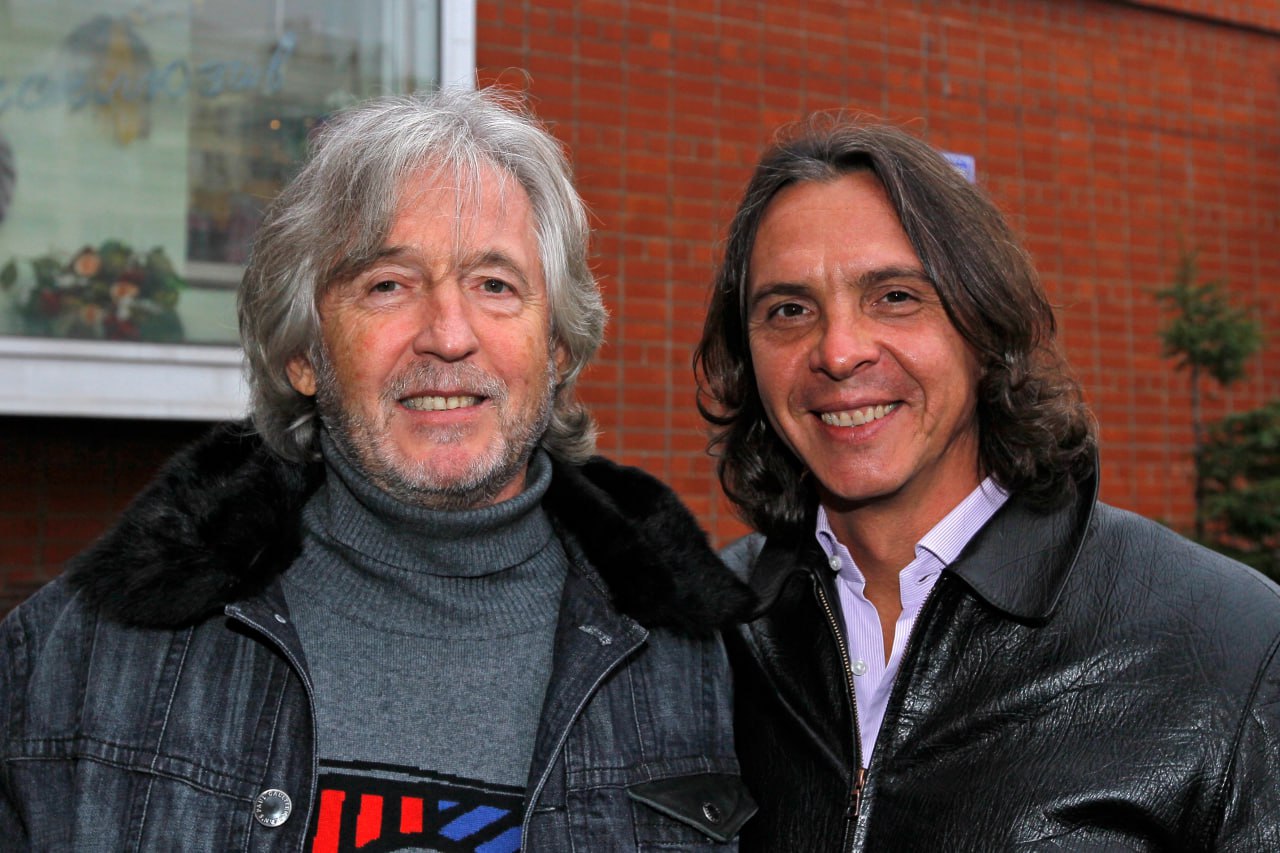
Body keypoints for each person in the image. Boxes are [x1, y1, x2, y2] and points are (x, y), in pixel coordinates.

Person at [0, 88, 757, 852]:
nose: (449, 335)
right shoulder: (75, 660)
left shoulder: (706, 671)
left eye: (495, 284)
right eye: (388, 284)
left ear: (556, 346)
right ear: (304, 353)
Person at [694, 117, 1280, 851]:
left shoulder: (1231, 642)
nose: (838, 351)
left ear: (986, 326)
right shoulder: (697, 643)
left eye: (895, 296)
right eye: (789, 310)